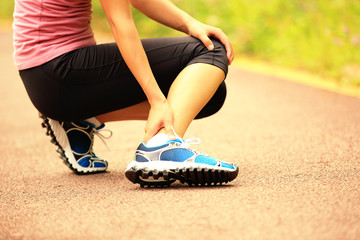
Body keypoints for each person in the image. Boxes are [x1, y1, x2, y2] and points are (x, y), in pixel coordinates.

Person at [13, 0, 239, 187]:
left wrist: (190, 23)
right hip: (59, 70)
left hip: (48, 80)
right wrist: (156, 100)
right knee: (211, 51)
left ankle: (81, 119)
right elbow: (120, 23)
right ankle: (161, 147)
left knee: (209, 93)